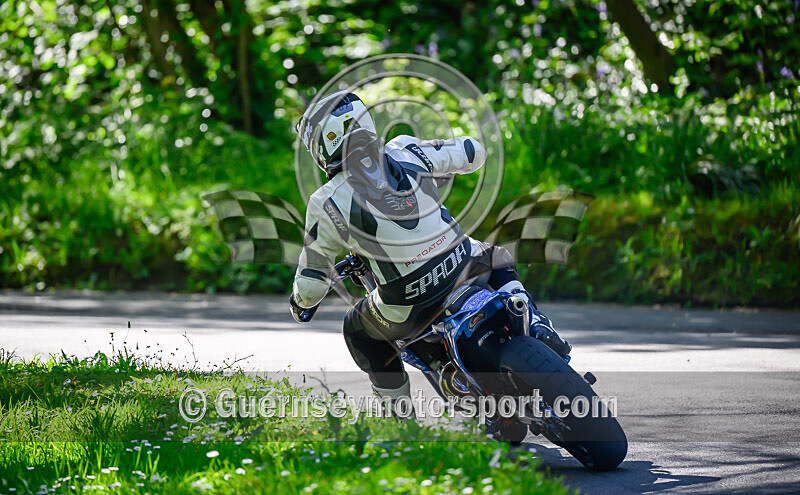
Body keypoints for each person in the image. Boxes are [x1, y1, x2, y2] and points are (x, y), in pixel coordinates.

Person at [289, 91, 570, 402]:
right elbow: (473, 152)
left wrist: (300, 304)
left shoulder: (325, 200)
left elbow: (311, 285)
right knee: (497, 256)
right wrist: (443, 165)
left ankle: (398, 416)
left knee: (357, 331)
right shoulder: (405, 151)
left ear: (324, 142)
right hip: (464, 265)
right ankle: (537, 323)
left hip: (408, 306)